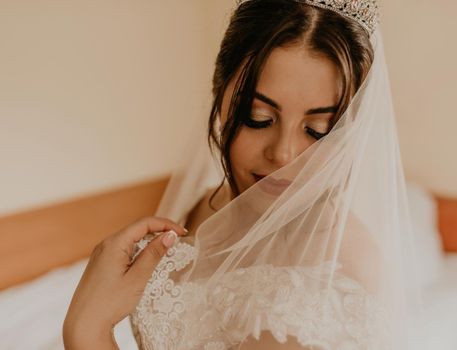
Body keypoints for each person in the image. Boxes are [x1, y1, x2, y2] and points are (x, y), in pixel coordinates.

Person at [64, 0, 423, 349]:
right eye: (258, 117)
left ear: (349, 133)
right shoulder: (204, 206)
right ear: (219, 95)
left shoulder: (327, 286)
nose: (283, 153)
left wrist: (88, 330)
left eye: (317, 130)